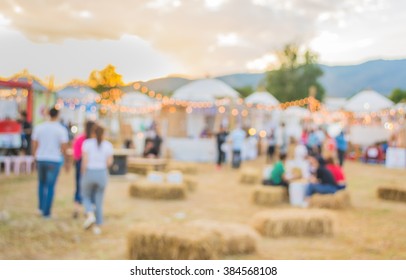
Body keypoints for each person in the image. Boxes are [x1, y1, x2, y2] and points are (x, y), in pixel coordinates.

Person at [32, 108, 69, 219]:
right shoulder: (60, 129)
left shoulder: (40, 127)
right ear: (57, 115)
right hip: (53, 159)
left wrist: (35, 156)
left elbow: (34, 144)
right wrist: (65, 159)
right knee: (50, 186)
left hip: (41, 158)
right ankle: (46, 212)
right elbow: (64, 147)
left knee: (41, 184)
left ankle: (41, 208)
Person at [81, 125, 113, 235]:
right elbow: (109, 163)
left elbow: (84, 160)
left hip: (90, 172)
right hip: (102, 173)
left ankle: (90, 214)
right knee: (99, 199)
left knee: (86, 196)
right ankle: (99, 223)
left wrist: (83, 173)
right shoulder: (108, 145)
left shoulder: (87, 143)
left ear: (93, 133)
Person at [71, 120, 95, 218]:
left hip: (80, 163)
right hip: (91, 164)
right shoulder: (94, 140)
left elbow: (76, 154)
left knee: (79, 186)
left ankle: (77, 208)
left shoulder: (80, 138)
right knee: (91, 187)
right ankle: (89, 210)